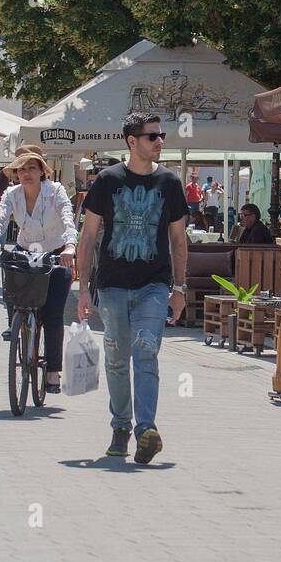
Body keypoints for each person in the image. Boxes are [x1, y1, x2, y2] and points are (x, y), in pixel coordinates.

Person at [77, 112, 189, 463]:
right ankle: (120, 426)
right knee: (115, 359)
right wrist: (83, 289)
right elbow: (88, 236)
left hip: (153, 286)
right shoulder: (107, 181)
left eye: (161, 135)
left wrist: (180, 289)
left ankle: (146, 429)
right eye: (152, 136)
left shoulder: (170, 183)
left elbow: (178, 239)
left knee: (145, 352)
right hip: (111, 286)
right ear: (132, 141)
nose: (160, 141)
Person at [0, 148, 76, 392]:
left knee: (54, 315)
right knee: (13, 285)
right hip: (26, 251)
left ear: (42, 171)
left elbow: (68, 219)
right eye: (21, 169)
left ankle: (53, 371)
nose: (26, 173)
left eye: (31, 168)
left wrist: (70, 247)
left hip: (56, 254)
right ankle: (16, 324)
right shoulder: (12, 194)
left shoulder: (55, 191)